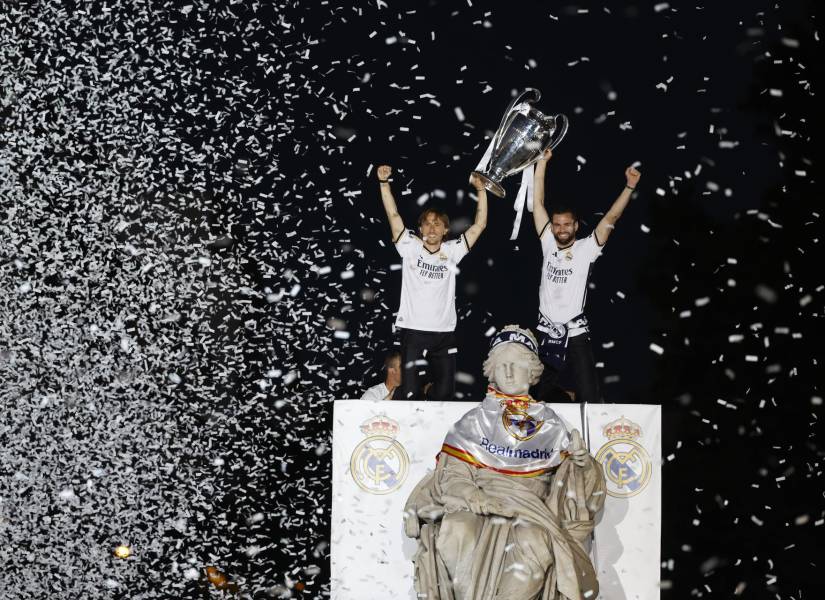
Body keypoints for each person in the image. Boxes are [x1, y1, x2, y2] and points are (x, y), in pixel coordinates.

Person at [403, 325, 606, 600]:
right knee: (456, 529)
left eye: (517, 364)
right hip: (479, 504)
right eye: (502, 365)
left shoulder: (551, 424)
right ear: (492, 371)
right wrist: (475, 497)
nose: (509, 372)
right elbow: (452, 475)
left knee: (535, 540)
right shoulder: (473, 421)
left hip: (531, 511)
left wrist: (582, 465)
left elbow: (574, 492)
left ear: (532, 372)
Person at [532, 149, 641, 404]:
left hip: (576, 331)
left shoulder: (586, 248)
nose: (561, 229)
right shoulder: (547, 242)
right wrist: (542, 163)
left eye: (566, 224)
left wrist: (629, 187)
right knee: (535, 397)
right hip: (545, 330)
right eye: (557, 224)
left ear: (575, 226)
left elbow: (612, 217)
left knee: (589, 396)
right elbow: (537, 203)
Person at [375, 164, 488, 401]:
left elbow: (480, 226)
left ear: (446, 230)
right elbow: (393, 215)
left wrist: (482, 190)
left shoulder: (452, 250)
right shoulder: (410, 246)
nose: (432, 227)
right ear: (420, 228)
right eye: (427, 223)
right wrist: (384, 184)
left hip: (444, 333)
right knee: (410, 393)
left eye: (437, 224)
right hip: (414, 331)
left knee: (445, 395)